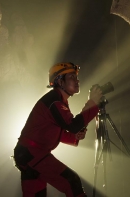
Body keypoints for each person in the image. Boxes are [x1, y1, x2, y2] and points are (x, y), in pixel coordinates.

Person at [13, 62, 103, 197]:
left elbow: (53, 130)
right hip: (32, 152)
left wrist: (74, 137)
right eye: (72, 77)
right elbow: (72, 125)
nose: (77, 80)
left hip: (27, 154)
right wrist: (93, 103)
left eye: (76, 77)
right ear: (60, 81)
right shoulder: (54, 101)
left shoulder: (58, 101)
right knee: (71, 182)